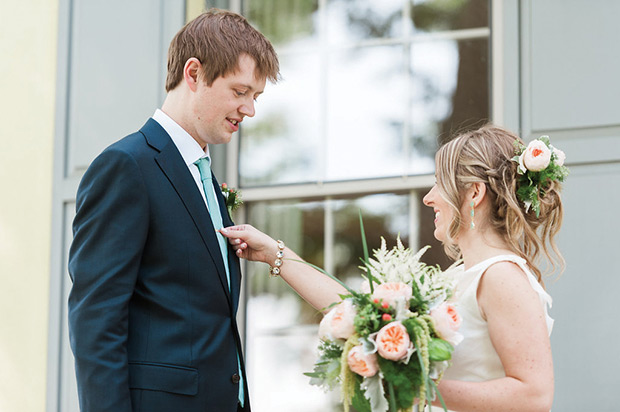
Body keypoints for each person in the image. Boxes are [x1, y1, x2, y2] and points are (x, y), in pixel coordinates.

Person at [220, 124, 564, 412]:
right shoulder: (459, 277)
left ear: (474, 193)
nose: (429, 197)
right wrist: (275, 254)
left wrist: (420, 387)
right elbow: (357, 312)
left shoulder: (501, 275)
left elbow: (534, 395)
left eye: (439, 183)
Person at [68, 9, 279, 412]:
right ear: (194, 73)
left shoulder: (207, 181)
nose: (250, 110)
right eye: (240, 92)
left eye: (256, 97)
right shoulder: (126, 166)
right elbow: (96, 322)